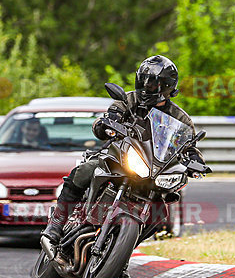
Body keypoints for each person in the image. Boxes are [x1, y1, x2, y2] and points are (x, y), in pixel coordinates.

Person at [41, 55, 204, 245]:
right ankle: (56, 224)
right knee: (85, 170)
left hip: (152, 170)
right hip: (119, 156)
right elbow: (104, 121)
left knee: (160, 212)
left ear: (166, 86)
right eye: (142, 80)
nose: (145, 86)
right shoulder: (128, 99)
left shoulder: (180, 118)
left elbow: (189, 145)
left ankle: (124, 249)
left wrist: (195, 160)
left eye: (151, 83)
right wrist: (106, 122)